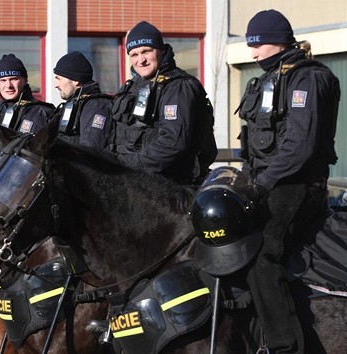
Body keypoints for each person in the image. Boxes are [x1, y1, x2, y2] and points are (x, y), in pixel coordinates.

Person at [237, 9, 340, 353]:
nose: (253, 54)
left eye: (258, 45)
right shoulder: (267, 79)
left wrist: (261, 184)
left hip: (299, 185)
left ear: (278, 41)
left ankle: (285, 347)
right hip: (267, 181)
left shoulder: (307, 79)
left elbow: (300, 147)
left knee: (261, 253)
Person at [109, 21, 217, 185]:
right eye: (134, 55)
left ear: (161, 50)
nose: (141, 60)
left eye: (146, 51)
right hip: (134, 183)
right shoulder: (132, 86)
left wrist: (126, 170)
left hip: (169, 187)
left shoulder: (178, 87)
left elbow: (172, 143)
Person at [0, 54, 55, 153]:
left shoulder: (42, 113)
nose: (8, 85)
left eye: (14, 79)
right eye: (3, 80)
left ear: (25, 80)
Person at [52, 51, 114, 150]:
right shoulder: (75, 104)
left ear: (76, 80)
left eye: (59, 79)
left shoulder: (96, 106)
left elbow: (90, 152)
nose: (55, 85)